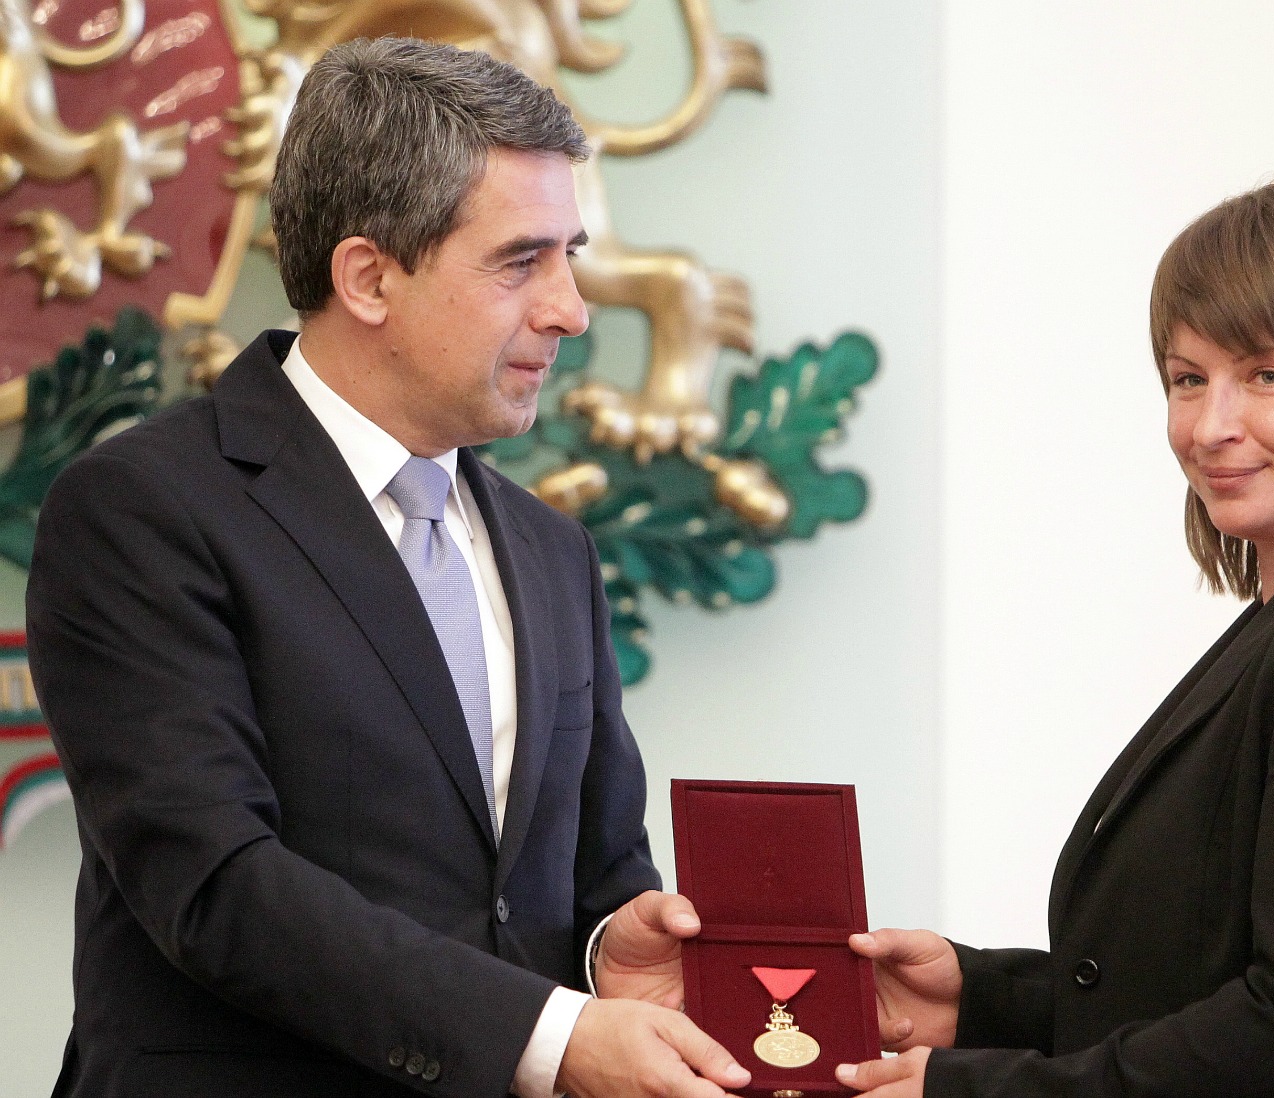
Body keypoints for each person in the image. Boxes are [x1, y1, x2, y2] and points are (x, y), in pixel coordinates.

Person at [25, 36, 747, 1098]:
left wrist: (609, 953)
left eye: (572, 255)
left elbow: (590, 876)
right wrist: (552, 1037)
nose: (571, 309)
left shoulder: (553, 550)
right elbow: (215, 884)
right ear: (368, 277)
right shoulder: (141, 509)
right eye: (521, 261)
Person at [837, 178, 1274, 1097]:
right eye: (1187, 379)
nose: (1210, 428)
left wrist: (970, 1089)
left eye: (1266, 375)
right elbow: (1197, 987)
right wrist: (982, 1000)